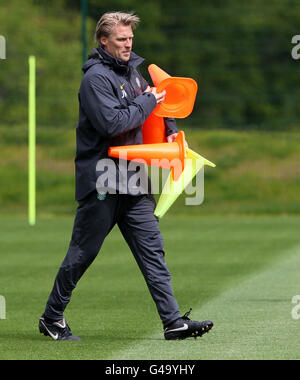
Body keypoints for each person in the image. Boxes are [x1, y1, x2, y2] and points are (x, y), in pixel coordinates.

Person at [38, 11, 213, 341]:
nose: (128, 44)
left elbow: (158, 109)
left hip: (135, 181)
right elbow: (113, 124)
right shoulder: (95, 80)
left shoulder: (134, 74)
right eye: (121, 39)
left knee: (152, 251)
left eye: (130, 38)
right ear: (103, 41)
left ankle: (173, 322)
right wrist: (148, 100)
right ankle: (52, 317)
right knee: (82, 254)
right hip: (102, 181)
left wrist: (172, 133)